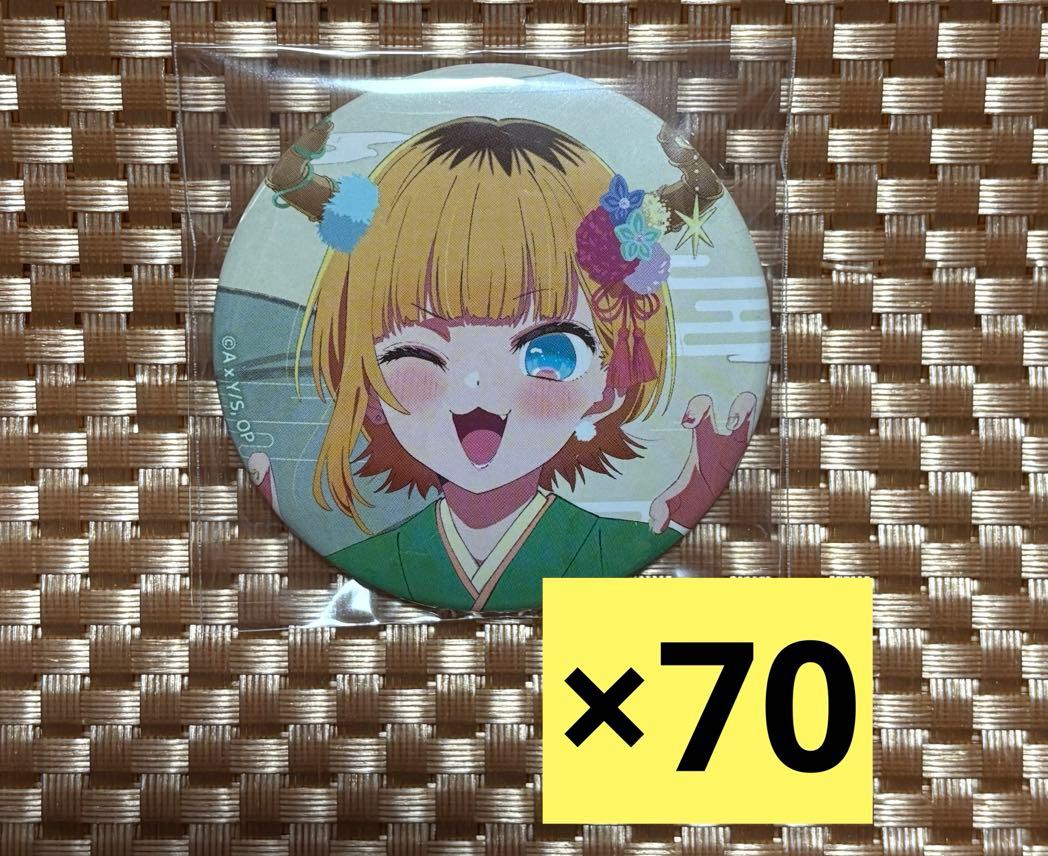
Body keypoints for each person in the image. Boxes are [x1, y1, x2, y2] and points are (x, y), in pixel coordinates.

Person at [271, 114, 753, 611]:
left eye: (550, 354)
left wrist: (686, 526)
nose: (475, 390)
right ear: (367, 384)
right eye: (416, 354)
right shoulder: (360, 561)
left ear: (608, 383)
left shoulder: (628, 549)